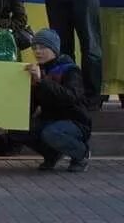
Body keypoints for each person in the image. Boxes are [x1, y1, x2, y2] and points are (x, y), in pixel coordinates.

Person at [21, 29, 91, 172]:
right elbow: (32, 105)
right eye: (34, 48)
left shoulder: (70, 70)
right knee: (17, 130)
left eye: (42, 47)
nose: (37, 52)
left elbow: (71, 97)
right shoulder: (38, 71)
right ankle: (52, 155)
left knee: (51, 133)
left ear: (54, 49)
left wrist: (42, 81)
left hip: (75, 121)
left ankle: (81, 154)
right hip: (50, 120)